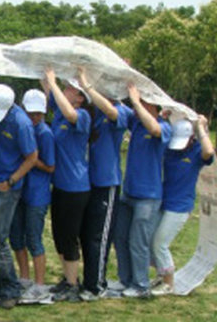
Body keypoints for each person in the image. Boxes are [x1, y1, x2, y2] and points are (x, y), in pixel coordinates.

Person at [0, 84, 38, 309]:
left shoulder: (20, 123)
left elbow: (32, 157)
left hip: (7, 188)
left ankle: (11, 288)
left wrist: (11, 181)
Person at [75, 67, 131, 300]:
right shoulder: (91, 112)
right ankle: (88, 281)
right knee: (86, 235)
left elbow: (112, 112)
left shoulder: (119, 111)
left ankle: (96, 286)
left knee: (99, 237)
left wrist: (87, 85)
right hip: (87, 183)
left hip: (106, 184)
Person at [113, 82, 172, 298]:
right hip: (129, 193)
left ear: (155, 108)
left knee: (138, 242)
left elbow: (154, 129)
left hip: (148, 197)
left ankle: (141, 285)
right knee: (120, 238)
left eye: (145, 104)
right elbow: (116, 104)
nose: (139, 107)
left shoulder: (163, 127)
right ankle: (125, 279)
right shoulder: (136, 122)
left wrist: (136, 102)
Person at [40, 66, 92, 302]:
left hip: (76, 187)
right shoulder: (60, 113)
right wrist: (46, 73)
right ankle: (67, 279)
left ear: (80, 97)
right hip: (60, 185)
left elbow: (71, 115)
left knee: (69, 236)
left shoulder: (81, 115)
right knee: (59, 234)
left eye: (71, 88)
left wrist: (53, 81)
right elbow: (47, 89)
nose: (66, 89)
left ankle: (73, 284)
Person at [151, 116, 214, 295]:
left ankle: (169, 283)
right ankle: (161, 275)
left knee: (160, 243)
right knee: (151, 240)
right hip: (163, 200)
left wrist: (201, 128)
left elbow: (209, 152)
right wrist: (162, 116)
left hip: (180, 206)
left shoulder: (196, 152)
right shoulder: (170, 149)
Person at [10, 89, 55, 303]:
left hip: (37, 194)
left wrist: (31, 157)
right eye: (31, 112)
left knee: (34, 239)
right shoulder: (22, 127)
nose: (34, 117)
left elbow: (50, 167)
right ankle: (24, 278)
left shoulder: (45, 133)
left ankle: (39, 284)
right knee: (16, 237)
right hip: (20, 190)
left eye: (38, 113)